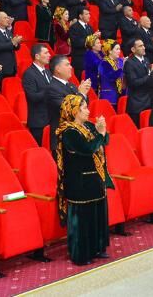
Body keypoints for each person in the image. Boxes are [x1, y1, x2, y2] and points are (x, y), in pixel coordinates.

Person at [55, 94, 112, 266]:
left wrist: (102, 131)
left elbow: (104, 141)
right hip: (79, 182)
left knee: (96, 215)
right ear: (74, 111)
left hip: (95, 178)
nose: (88, 111)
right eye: (84, 108)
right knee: (82, 220)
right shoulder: (68, 132)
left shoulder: (87, 126)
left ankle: (97, 248)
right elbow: (88, 149)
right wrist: (100, 134)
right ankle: (80, 254)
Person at [48, 55, 92, 152]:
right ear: (58, 69)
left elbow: (84, 105)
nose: (71, 67)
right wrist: (81, 94)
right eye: (67, 65)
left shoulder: (71, 85)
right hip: (63, 139)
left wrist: (83, 94)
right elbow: (69, 109)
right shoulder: (52, 88)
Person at [22, 44, 53, 144]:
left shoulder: (48, 72)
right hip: (39, 123)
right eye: (46, 53)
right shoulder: (29, 74)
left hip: (51, 119)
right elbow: (33, 97)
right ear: (37, 56)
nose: (49, 55)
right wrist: (49, 89)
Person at [124, 39, 152, 127]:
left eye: (143, 45)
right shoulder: (129, 63)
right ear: (133, 49)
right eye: (140, 46)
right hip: (137, 104)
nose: (144, 48)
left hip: (148, 101)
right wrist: (150, 76)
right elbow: (133, 82)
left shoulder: (146, 60)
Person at [98, 40, 125, 107]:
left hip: (121, 94)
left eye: (119, 49)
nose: (119, 51)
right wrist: (122, 68)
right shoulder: (103, 63)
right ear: (110, 51)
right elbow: (112, 77)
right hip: (109, 96)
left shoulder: (120, 61)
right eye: (117, 49)